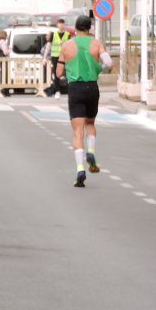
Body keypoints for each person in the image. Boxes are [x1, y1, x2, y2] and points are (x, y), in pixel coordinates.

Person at [57, 14, 112, 188]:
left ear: (75, 28)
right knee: (90, 124)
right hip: (92, 88)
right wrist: (99, 69)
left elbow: (59, 73)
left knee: (77, 131)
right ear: (89, 28)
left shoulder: (67, 45)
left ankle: (80, 169)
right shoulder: (96, 43)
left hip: (75, 89)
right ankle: (91, 151)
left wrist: (67, 73)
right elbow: (109, 62)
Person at [45, 17, 72, 98]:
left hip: (65, 56)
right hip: (55, 57)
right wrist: (45, 57)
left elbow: (70, 46)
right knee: (57, 74)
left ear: (64, 25)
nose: (61, 26)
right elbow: (48, 46)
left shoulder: (67, 34)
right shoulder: (53, 34)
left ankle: (69, 90)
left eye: (62, 24)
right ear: (57, 25)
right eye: (59, 24)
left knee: (68, 73)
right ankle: (57, 91)